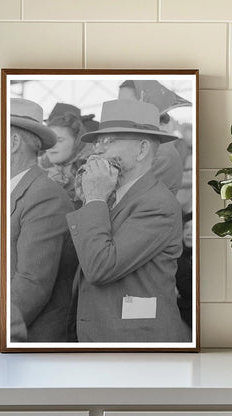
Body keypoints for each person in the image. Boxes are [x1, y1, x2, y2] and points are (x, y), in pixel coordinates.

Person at [66, 99, 189, 342]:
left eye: (110, 141)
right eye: (98, 141)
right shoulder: (112, 194)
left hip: (135, 344)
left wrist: (94, 198)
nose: (97, 149)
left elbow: (101, 266)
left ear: (142, 150)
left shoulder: (158, 204)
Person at [9, 98, 78, 342]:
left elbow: (32, 284)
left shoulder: (44, 195)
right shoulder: (20, 190)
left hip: (32, 345)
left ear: (14, 142)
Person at [118, 80, 185, 196]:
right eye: (119, 105)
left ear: (150, 106)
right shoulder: (145, 144)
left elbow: (129, 196)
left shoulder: (161, 151)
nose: (119, 111)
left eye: (128, 104)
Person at [40, 105, 94, 207]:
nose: (52, 145)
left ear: (76, 142)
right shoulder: (36, 168)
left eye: (59, 140)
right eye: (49, 139)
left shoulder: (92, 171)